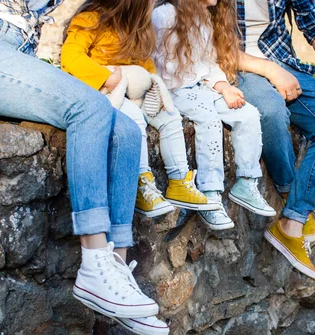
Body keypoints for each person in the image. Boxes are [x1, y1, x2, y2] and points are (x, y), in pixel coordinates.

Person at [0, 0, 168, 335]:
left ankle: (116, 265)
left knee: (126, 131)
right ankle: (93, 263)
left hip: (16, 53)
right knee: (88, 108)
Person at [61, 0, 220, 219]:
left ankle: (179, 181)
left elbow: (145, 63)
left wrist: (156, 86)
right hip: (103, 91)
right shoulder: (90, 20)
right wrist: (106, 78)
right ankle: (141, 183)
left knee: (170, 117)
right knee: (134, 119)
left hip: (133, 90)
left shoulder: (137, 29)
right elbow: (70, 56)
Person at [235, 0, 315, 280]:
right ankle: (294, 196)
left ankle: (292, 222)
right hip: (236, 68)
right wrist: (269, 71)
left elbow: (314, 23)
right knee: (270, 112)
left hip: (283, 62)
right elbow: (209, 46)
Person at [152, 0, 276, 231]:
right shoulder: (164, 16)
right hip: (172, 90)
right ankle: (210, 194)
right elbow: (148, 58)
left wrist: (223, 86)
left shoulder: (204, 18)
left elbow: (208, 64)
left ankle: (246, 182)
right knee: (208, 119)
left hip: (202, 87)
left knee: (247, 114)